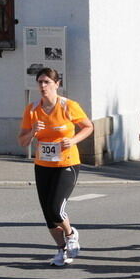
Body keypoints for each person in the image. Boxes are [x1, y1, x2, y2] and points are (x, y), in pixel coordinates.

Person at [17, 68, 94, 266]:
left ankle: (70, 234)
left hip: (66, 163)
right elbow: (22, 142)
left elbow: (88, 126)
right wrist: (33, 132)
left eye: (47, 82)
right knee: (48, 214)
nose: (43, 86)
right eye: (40, 82)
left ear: (57, 84)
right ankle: (61, 250)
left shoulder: (68, 106)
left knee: (55, 209)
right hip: (43, 165)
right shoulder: (32, 109)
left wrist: (73, 140)